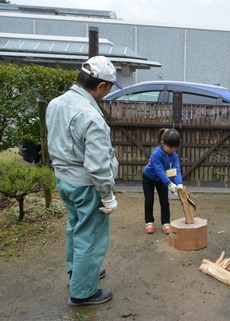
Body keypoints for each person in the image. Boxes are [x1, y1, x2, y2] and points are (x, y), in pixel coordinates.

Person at [46, 56, 121, 306]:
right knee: (91, 236)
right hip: (87, 185)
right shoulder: (90, 115)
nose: (107, 93)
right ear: (101, 86)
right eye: (108, 89)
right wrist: (108, 194)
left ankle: (76, 272)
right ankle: (83, 292)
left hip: (64, 179)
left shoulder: (56, 103)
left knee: (76, 228)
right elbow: (98, 164)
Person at [143, 128, 183, 235]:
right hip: (149, 178)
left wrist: (179, 184)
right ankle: (149, 222)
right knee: (149, 200)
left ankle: (166, 223)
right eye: (170, 147)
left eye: (175, 148)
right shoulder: (156, 154)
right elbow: (160, 171)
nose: (173, 150)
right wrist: (170, 184)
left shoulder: (174, 156)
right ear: (162, 143)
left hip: (162, 180)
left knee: (164, 201)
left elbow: (176, 171)